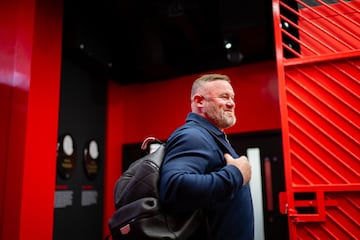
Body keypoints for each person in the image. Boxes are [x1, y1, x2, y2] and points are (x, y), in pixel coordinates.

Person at [159, 73, 254, 240]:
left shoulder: (208, 136)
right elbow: (174, 188)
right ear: (199, 101)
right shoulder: (193, 136)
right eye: (224, 97)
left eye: (232, 97)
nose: (231, 103)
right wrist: (236, 174)